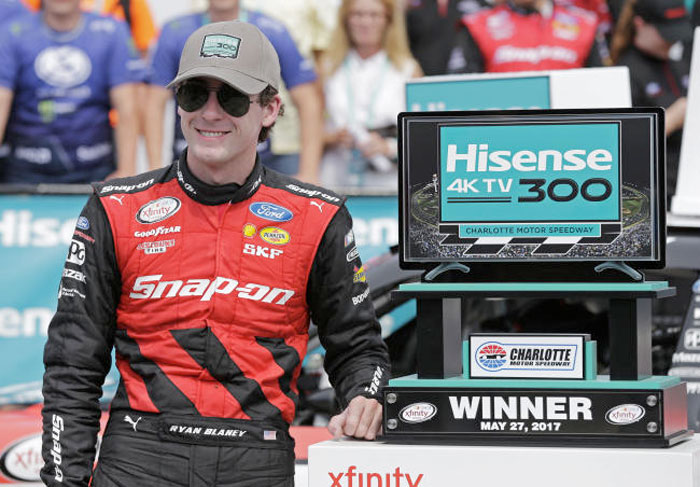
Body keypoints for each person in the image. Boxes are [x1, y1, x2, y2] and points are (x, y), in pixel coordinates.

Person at [40, 20, 389, 487]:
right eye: (193, 94)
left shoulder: (317, 217)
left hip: (256, 457)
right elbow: (72, 364)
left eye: (230, 97)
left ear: (270, 108)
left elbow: (358, 349)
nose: (209, 112)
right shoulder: (116, 209)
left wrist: (367, 398)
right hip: (138, 455)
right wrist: (65, 481)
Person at [146, 0, 324, 184]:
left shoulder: (272, 30)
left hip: (263, 161)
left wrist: (309, 171)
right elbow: (154, 104)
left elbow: (308, 101)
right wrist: (154, 170)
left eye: (235, 96)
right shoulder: (175, 31)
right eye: (193, 93)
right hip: (191, 156)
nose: (211, 113)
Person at [0, 0, 141, 183]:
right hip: (24, 171)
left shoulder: (112, 32)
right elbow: (1, 102)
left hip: (96, 171)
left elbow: (127, 108)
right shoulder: (12, 33)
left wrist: (127, 170)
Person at [321, 0, 423, 189]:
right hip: (337, 178)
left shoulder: (407, 70)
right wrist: (334, 137)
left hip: (387, 184)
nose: (365, 22)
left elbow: (422, 136)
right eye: (357, 14)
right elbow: (308, 130)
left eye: (374, 15)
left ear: (388, 21)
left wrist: (388, 147)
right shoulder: (327, 67)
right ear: (346, 20)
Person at [610, 0, 693, 204]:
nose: (672, 41)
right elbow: (619, 146)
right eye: (666, 34)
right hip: (653, 196)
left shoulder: (679, 65)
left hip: (687, 186)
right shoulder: (622, 73)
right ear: (640, 24)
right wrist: (672, 118)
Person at [449, 0, 604, 73]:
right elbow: (460, 91)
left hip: (570, 131)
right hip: (502, 129)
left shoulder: (585, 24)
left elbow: (604, 88)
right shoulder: (477, 25)